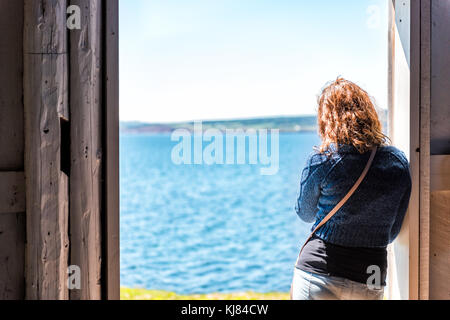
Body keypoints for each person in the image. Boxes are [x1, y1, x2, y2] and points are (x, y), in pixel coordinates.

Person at [291, 78, 412, 300]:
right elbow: (392, 231)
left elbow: (305, 213)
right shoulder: (397, 163)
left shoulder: (322, 160)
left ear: (327, 120)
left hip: (321, 269)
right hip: (372, 275)